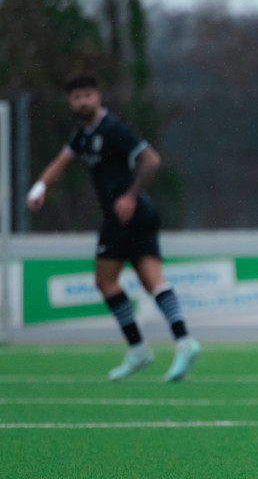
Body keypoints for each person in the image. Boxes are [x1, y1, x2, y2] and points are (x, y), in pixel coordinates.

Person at [26, 74, 201, 382]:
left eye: (87, 95)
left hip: (128, 215)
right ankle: (183, 342)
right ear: (71, 102)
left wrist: (130, 197)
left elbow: (151, 160)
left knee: (107, 281)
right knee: (150, 282)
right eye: (77, 97)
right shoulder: (81, 135)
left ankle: (141, 348)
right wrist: (40, 186)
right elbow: (61, 163)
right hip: (133, 216)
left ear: (99, 97)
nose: (82, 101)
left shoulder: (113, 129)